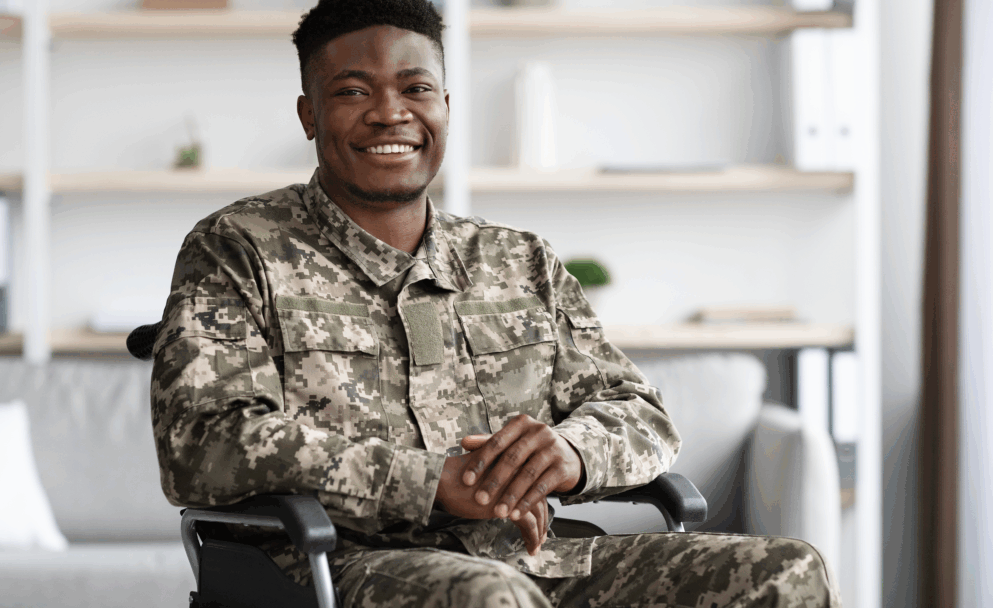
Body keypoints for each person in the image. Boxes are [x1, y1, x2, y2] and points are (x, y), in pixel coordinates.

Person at [150, 0, 841, 605]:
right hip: (341, 568)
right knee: (488, 597)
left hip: (536, 558)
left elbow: (642, 414)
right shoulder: (236, 249)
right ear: (309, 114)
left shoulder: (519, 260)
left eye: (415, 87)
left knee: (785, 572)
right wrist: (429, 482)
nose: (390, 112)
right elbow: (206, 443)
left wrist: (569, 453)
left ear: (445, 107)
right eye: (354, 91)